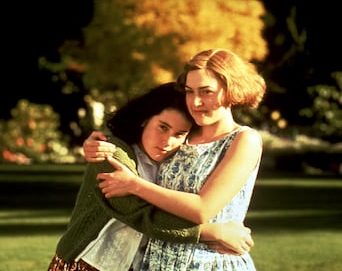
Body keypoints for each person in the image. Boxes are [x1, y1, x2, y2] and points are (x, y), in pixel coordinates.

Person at [85, 48, 266, 270]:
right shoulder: (182, 133)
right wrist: (95, 144)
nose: (195, 102)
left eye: (206, 92)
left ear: (231, 90)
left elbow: (202, 209)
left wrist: (134, 185)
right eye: (190, 91)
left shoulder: (243, 140)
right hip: (153, 262)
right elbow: (139, 141)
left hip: (209, 263)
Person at [47, 82, 254, 271]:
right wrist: (213, 233)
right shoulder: (111, 154)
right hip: (84, 264)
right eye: (163, 127)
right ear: (145, 119)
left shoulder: (173, 164)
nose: (167, 141)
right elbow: (142, 215)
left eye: (179, 134)